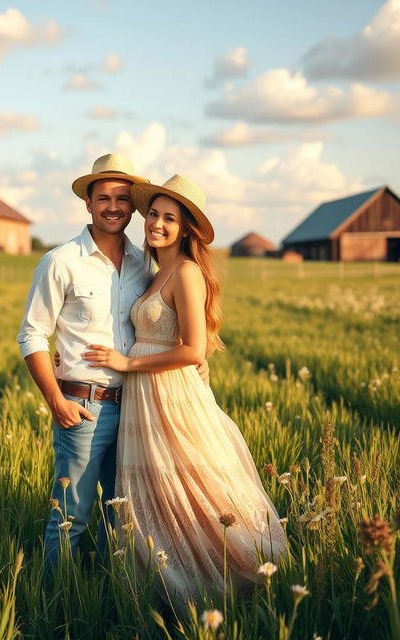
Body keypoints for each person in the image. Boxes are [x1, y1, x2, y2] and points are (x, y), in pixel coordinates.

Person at [83, 175, 287, 608]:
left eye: (169, 218)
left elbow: (193, 349)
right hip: (145, 397)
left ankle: (222, 579)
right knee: (156, 489)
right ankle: (164, 582)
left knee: (189, 482)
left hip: (168, 393)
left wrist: (128, 363)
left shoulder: (187, 272)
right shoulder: (157, 271)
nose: (157, 223)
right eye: (153, 214)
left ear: (185, 228)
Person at [16, 153, 153, 567]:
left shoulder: (144, 262)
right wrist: (56, 401)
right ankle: (58, 609)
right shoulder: (60, 261)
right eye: (104, 198)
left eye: (123, 199)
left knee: (126, 517)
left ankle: (119, 600)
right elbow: (32, 333)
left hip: (136, 405)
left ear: (133, 207)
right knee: (70, 518)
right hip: (84, 406)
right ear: (88, 204)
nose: (114, 206)